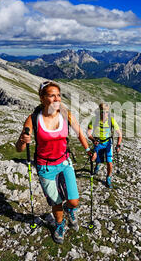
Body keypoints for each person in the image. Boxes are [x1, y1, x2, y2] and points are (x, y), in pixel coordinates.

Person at [16, 81, 92, 244]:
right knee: (56, 202)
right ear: (42, 98)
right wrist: (23, 140)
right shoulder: (33, 119)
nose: (57, 99)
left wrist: (88, 150)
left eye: (59, 95)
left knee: (74, 201)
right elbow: (19, 148)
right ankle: (59, 224)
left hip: (64, 162)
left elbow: (79, 132)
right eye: (52, 95)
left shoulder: (65, 114)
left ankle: (70, 210)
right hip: (45, 167)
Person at [87, 103, 122, 188]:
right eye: (102, 112)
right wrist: (93, 140)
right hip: (98, 143)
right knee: (97, 159)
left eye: (106, 112)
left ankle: (108, 178)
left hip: (108, 143)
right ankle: (98, 164)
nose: (104, 114)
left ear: (108, 113)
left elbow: (119, 134)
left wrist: (118, 145)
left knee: (109, 163)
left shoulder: (111, 120)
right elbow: (88, 133)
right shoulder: (94, 120)